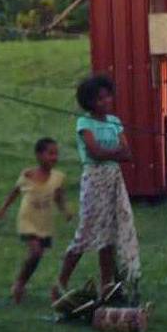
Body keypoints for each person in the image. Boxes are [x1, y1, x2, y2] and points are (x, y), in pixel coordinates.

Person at [53, 73, 139, 304]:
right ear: (89, 101)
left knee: (109, 233)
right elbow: (94, 152)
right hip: (94, 179)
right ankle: (60, 282)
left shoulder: (115, 121)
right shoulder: (84, 123)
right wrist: (113, 153)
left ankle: (107, 286)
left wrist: (109, 153)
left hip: (114, 179)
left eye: (107, 96)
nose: (105, 101)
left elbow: (128, 153)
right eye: (99, 98)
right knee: (88, 230)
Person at [0, 137, 70, 303]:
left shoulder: (58, 177)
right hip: (28, 221)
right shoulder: (27, 175)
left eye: (56, 154)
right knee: (35, 251)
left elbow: (59, 196)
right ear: (39, 155)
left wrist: (65, 211)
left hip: (45, 222)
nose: (54, 157)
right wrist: (3, 209)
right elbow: (15, 192)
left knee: (37, 256)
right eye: (50, 153)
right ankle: (19, 284)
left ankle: (22, 281)